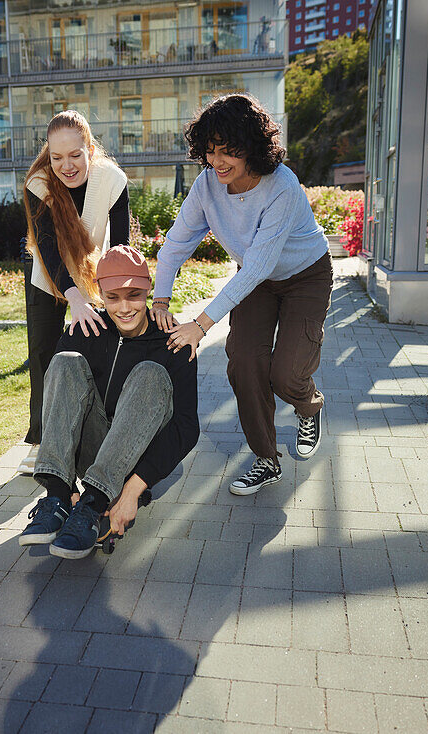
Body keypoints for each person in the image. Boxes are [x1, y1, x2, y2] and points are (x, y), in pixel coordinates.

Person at [151, 93, 332, 496]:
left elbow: (259, 264)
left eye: (228, 150)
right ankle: (266, 459)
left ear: (252, 145)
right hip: (256, 282)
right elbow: (177, 243)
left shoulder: (281, 185)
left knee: (286, 374)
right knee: (245, 363)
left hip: (305, 276)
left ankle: (308, 406)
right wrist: (160, 299)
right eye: (210, 151)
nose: (217, 161)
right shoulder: (206, 188)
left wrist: (201, 324)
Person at [19, 246, 199, 559]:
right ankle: (59, 497)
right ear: (100, 294)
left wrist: (131, 492)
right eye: (113, 297)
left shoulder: (173, 340)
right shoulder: (84, 330)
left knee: (150, 374)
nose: (124, 307)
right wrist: (70, 488)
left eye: (134, 295)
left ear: (148, 292)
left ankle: (95, 503)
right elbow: (60, 407)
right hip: (91, 456)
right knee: (63, 362)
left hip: (136, 464)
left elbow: (186, 427)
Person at [18, 110, 131, 474]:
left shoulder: (112, 180)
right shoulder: (39, 185)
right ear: (48, 156)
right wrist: (73, 298)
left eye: (75, 155)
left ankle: (97, 434)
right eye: (57, 157)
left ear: (90, 149)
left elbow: (122, 246)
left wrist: (117, 296)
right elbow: (49, 250)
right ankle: (40, 441)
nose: (66, 166)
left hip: (92, 274)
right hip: (46, 275)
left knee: (100, 349)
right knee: (43, 357)